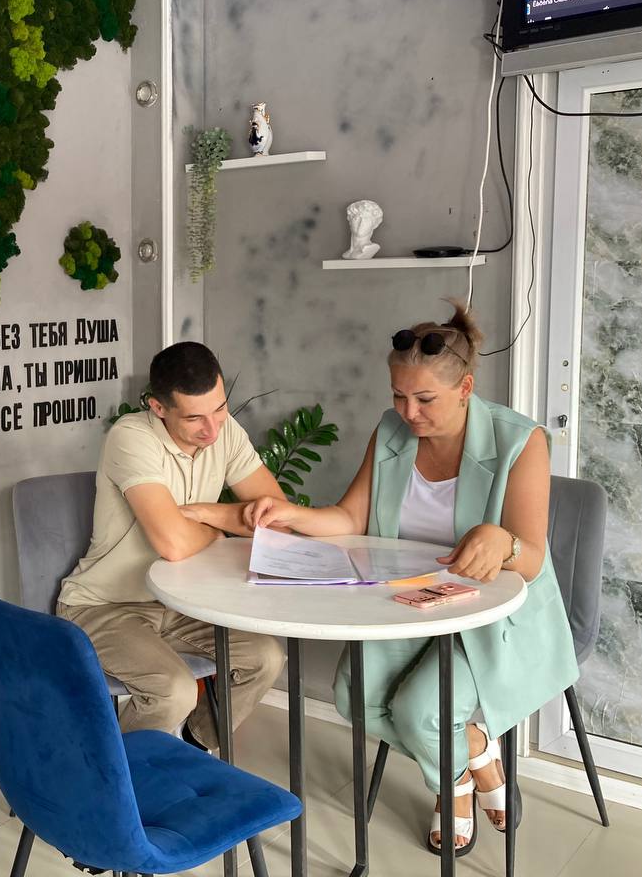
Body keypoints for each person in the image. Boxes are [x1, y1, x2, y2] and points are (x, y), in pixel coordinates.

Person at [245, 303, 577, 856]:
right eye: (399, 396)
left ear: (465, 387)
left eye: (425, 399)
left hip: (489, 615)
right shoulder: (391, 431)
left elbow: (533, 559)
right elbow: (350, 518)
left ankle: (452, 790)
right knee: (354, 699)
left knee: (422, 712)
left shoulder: (521, 442)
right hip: (411, 603)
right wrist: (290, 514)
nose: (409, 412)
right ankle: (473, 754)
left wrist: (504, 542)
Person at [57, 342, 287, 752]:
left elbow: (276, 518)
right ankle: (106, 777)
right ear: (158, 407)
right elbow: (173, 545)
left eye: (219, 409)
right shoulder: (131, 436)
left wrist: (207, 514)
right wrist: (220, 531)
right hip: (104, 606)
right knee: (174, 691)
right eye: (195, 418)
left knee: (266, 657)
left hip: (179, 604)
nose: (212, 429)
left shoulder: (225, 431)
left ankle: (193, 748)